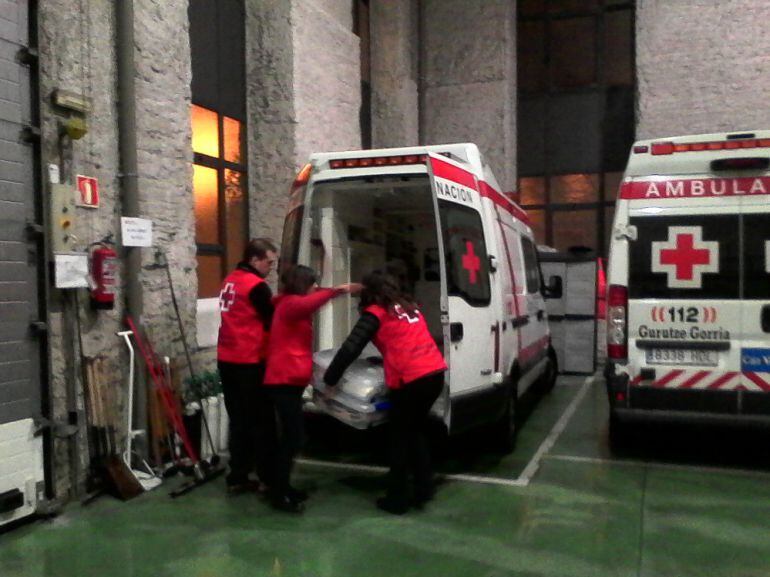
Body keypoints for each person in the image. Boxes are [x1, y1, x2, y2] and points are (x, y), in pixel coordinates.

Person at [323, 270, 447, 514]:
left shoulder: (375, 314)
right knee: (416, 432)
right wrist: (362, 286)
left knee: (399, 439)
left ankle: (397, 499)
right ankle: (424, 487)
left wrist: (330, 380)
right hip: (434, 373)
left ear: (371, 293)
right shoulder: (409, 306)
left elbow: (351, 348)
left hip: (412, 380)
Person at [263, 265, 361, 512]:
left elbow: (313, 300)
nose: (316, 287)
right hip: (282, 381)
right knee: (292, 438)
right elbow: (310, 304)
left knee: (292, 438)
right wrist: (339, 290)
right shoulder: (290, 305)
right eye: (312, 283)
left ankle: (282, 487)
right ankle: (278, 493)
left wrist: (337, 290)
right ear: (301, 284)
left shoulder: (289, 304)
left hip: (290, 381)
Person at [217, 238, 278, 495]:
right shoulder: (257, 287)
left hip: (226, 359)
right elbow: (273, 321)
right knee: (263, 422)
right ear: (254, 260)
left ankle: (238, 475)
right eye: (269, 262)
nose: (271, 267)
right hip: (250, 361)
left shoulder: (229, 279)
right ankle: (267, 477)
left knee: (239, 420)